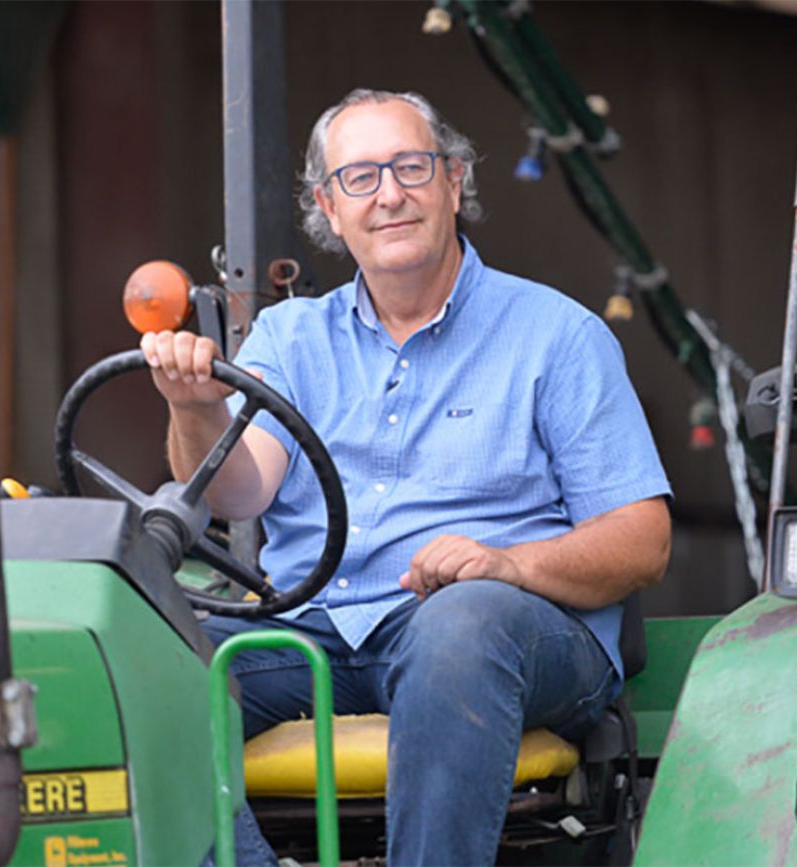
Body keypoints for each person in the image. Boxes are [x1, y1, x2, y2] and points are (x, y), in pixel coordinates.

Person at [141, 88, 672, 866]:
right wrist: (193, 410)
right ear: (329, 204)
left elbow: (643, 539)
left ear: (455, 182)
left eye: (410, 167)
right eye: (359, 177)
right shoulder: (291, 337)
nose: (388, 194)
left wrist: (509, 566)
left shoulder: (557, 335)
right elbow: (237, 491)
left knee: (461, 623)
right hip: (318, 629)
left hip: (507, 635)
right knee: (145, 647)